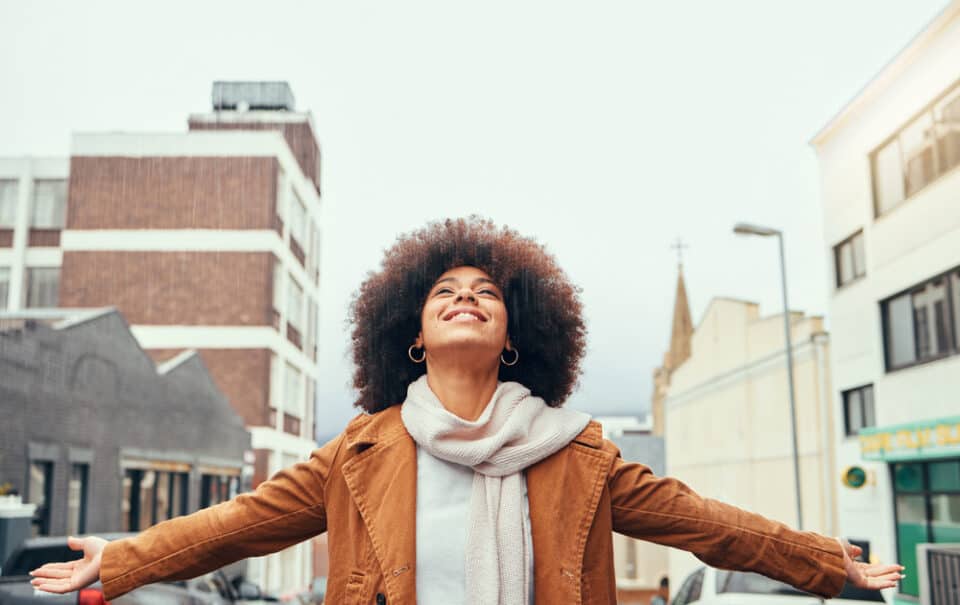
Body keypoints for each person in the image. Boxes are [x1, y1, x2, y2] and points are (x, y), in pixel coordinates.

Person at [32, 217, 903, 604]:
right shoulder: (361, 451)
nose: (465, 296)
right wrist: (130, 555)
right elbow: (242, 523)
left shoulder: (579, 454)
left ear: (511, 333)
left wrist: (832, 561)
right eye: (445, 289)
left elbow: (707, 525)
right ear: (413, 332)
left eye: (485, 291)